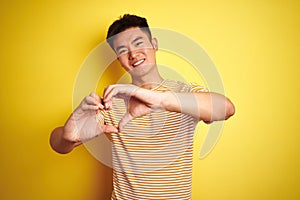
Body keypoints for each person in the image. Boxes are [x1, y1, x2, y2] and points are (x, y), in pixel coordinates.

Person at [50, 14, 235, 200]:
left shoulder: (185, 92)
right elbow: (58, 145)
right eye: (123, 50)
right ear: (118, 60)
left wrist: (160, 100)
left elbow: (226, 109)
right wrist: (67, 136)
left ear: (154, 44)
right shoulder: (111, 101)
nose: (133, 54)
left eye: (138, 43)